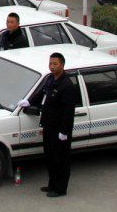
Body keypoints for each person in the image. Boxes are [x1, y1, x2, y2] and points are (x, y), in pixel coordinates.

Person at [18, 52, 77, 198]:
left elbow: (68, 112)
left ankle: (60, 189)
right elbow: (41, 94)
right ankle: (52, 184)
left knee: (60, 159)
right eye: (50, 63)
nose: (52, 66)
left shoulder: (66, 86)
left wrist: (64, 132)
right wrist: (29, 101)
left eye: (55, 64)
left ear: (62, 65)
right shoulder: (50, 79)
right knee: (50, 157)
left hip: (59, 129)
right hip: (48, 126)